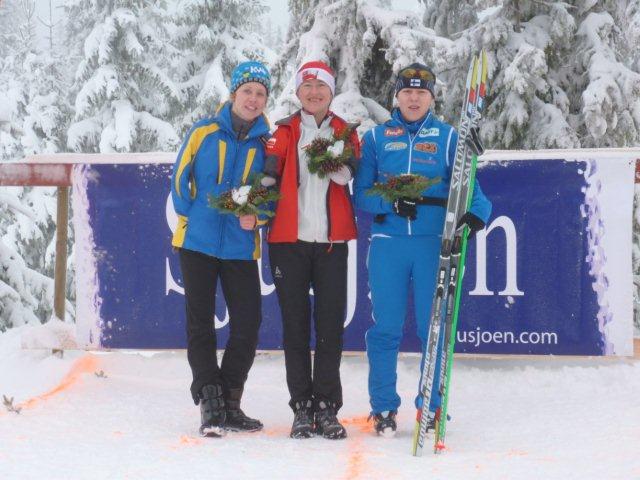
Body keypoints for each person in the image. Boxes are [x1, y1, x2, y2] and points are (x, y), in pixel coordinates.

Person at [353, 63, 492, 437]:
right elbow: (361, 195)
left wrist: (476, 217)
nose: (414, 98)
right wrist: (390, 205)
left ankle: (430, 406)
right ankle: (383, 407)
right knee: (386, 329)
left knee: (434, 328)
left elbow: (473, 189)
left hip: (435, 245)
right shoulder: (377, 139)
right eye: (407, 92)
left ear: (432, 98)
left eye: (422, 92)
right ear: (396, 96)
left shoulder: (448, 138)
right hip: (388, 245)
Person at [170, 61, 272, 437]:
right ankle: (210, 402)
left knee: (248, 324)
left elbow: (271, 192)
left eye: (260, 93)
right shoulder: (204, 131)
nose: (253, 99)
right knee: (200, 324)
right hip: (196, 242)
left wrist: (257, 216)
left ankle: (230, 401)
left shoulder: (267, 143)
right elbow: (180, 177)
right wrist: (193, 215)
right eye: (247, 91)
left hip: (240, 248)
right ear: (233, 94)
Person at [264, 60, 359, 439]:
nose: (314, 93)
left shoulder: (343, 130)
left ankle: (327, 406)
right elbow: (270, 170)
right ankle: (302, 406)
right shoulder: (285, 129)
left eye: (321, 87)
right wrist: (262, 190)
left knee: (331, 328)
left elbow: (351, 169)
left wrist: (343, 169)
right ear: (298, 92)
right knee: (295, 327)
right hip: (289, 242)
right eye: (307, 87)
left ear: (330, 92)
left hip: (332, 245)